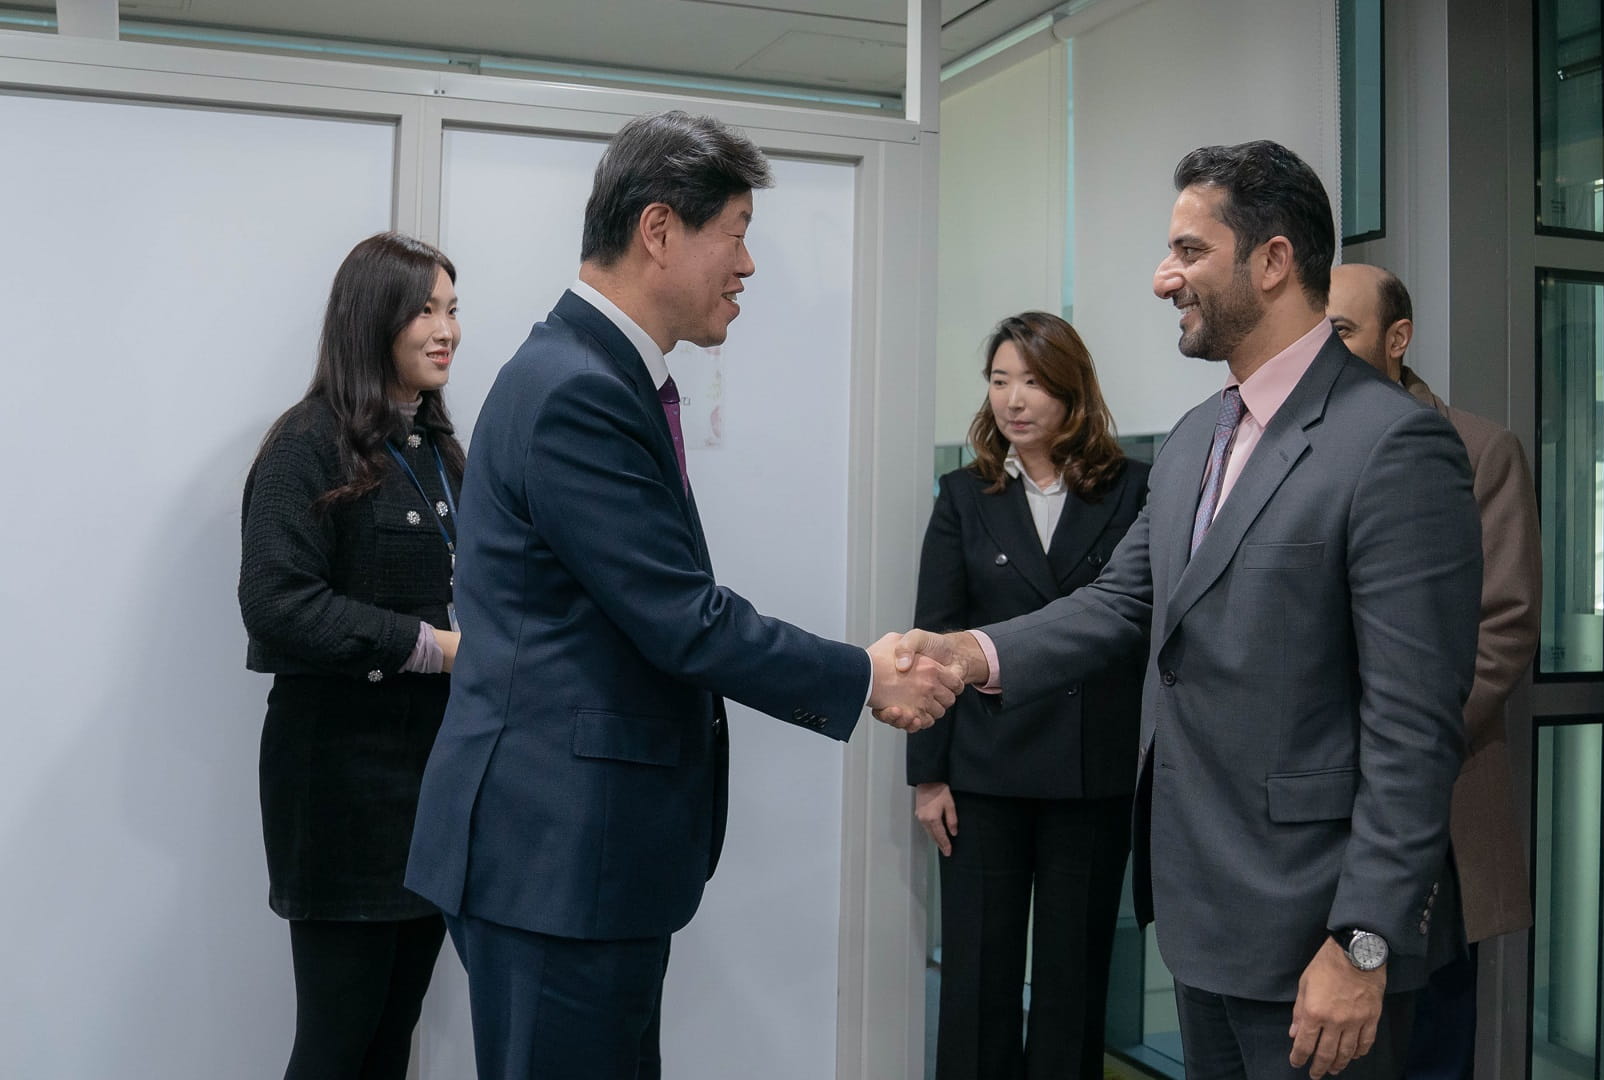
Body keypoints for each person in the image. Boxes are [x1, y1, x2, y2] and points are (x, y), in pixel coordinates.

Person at [889, 140, 1481, 1080]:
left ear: (1274, 261)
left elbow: (1415, 726)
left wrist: (1363, 941)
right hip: (1201, 917)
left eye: (1190, 251)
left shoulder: (1393, 445)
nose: (1164, 278)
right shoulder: (1201, 434)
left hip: (1316, 936)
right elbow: (1122, 599)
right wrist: (966, 656)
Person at [402, 110, 960, 1080]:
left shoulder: (591, 372)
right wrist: (864, 675)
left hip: (577, 855)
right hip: (554, 857)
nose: (747, 266)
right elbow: (682, 620)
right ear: (659, 230)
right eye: (736, 234)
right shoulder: (576, 388)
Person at [238, 232, 466, 1080]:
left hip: (431, 785)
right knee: (337, 1044)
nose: (446, 330)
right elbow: (276, 602)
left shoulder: (437, 451)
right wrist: (429, 647)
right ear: (372, 320)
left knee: (391, 1036)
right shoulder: (307, 443)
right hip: (340, 787)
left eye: (453, 310)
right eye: (425, 310)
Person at [910, 311, 1151, 1079]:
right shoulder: (963, 495)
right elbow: (936, 634)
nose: (1014, 399)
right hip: (983, 771)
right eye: (1000, 380)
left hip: (1092, 771)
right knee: (976, 977)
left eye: (1035, 381)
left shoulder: (1135, 489)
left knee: (1073, 984)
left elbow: (1139, 629)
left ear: (1072, 390)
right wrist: (928, 775)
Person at [1325, 263, 1541, 1079]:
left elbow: (1505, 625)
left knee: (1428, 1034)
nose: (1324, 350)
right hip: (1314, 805)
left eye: (1342, 332)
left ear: (1399, 338)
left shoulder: (1480, 449)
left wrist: (1401, 742)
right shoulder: (1300, 444)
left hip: (1435, 797)